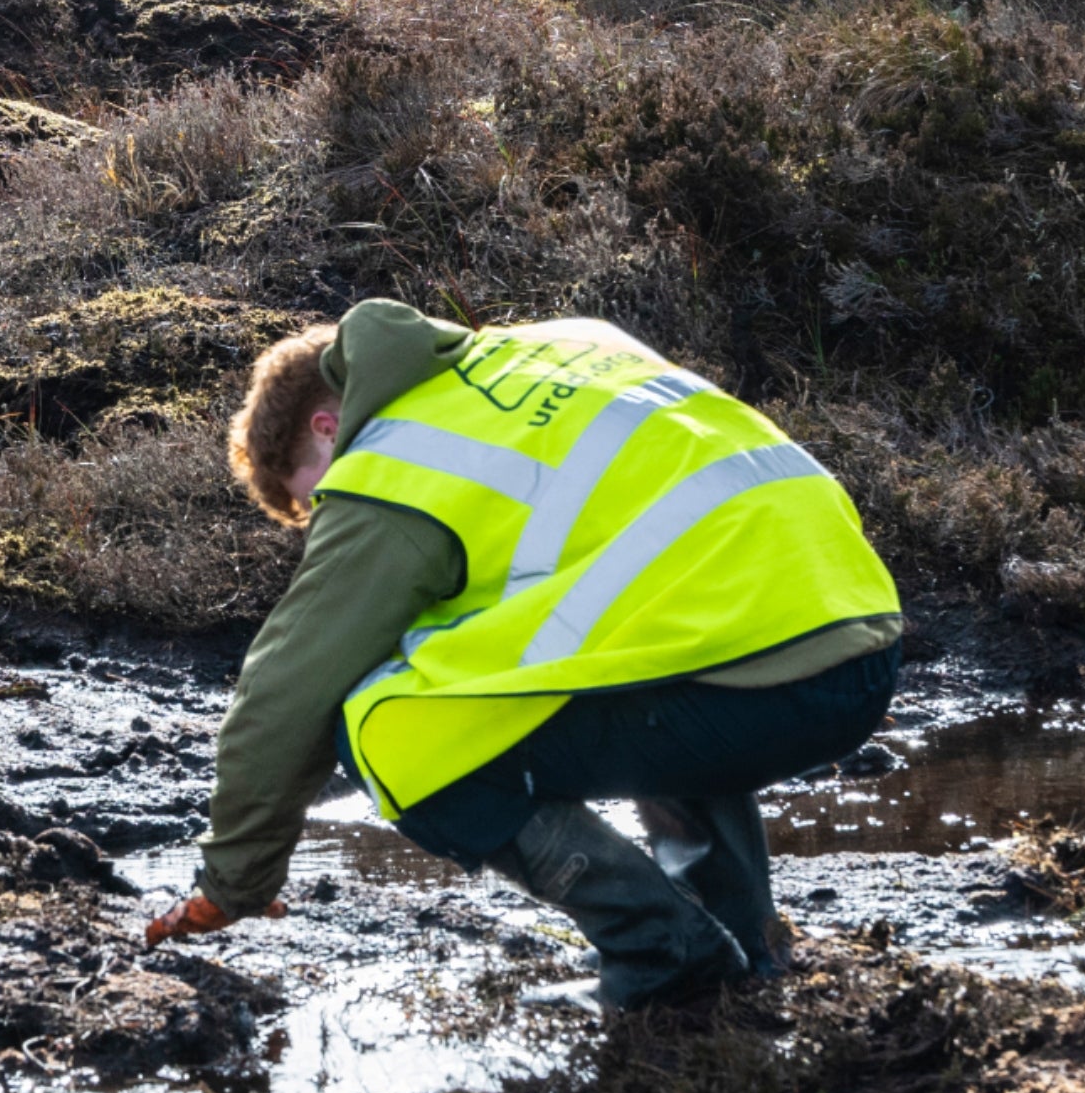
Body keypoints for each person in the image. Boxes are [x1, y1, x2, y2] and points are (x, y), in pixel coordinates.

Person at [144, 300, 905, 1015]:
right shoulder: (549, 347)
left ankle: (666, 953)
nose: (323, 519)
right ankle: (742, 942)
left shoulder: (391, 459)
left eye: (311, 499)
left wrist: (237, 880)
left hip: (767, 672)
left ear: (325, 425)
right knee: (620, 656)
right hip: (855, 635)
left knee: (386, 726)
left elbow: (285, 688)